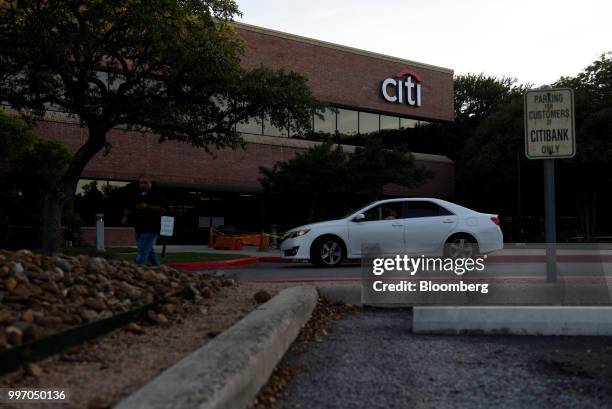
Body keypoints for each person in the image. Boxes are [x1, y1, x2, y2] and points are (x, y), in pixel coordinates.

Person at [122, 176, 166, 266]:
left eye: (145, 183)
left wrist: (147, 206)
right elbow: (129, 206)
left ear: (150, 183)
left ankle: (134, 268)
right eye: (141, 183)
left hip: (151, 228)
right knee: (148, 250)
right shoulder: (136, 194)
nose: (142, 185)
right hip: (139, 227)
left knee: (142, 251)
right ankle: (157, 266)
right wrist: (125, 216)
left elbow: (163, 209)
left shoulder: (157, 194)